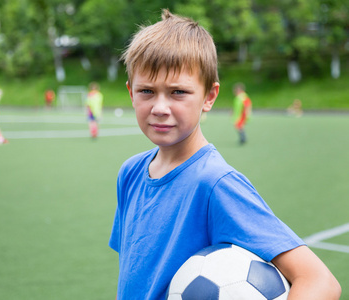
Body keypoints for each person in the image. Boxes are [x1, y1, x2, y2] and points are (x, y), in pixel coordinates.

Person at [109, 10, 341, 300]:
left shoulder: (215, 184)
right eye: (147, 91)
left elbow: (320, 281)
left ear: (209, 97)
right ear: (131, 93)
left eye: (178, 92)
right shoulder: (130, 173)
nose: (159, 107)